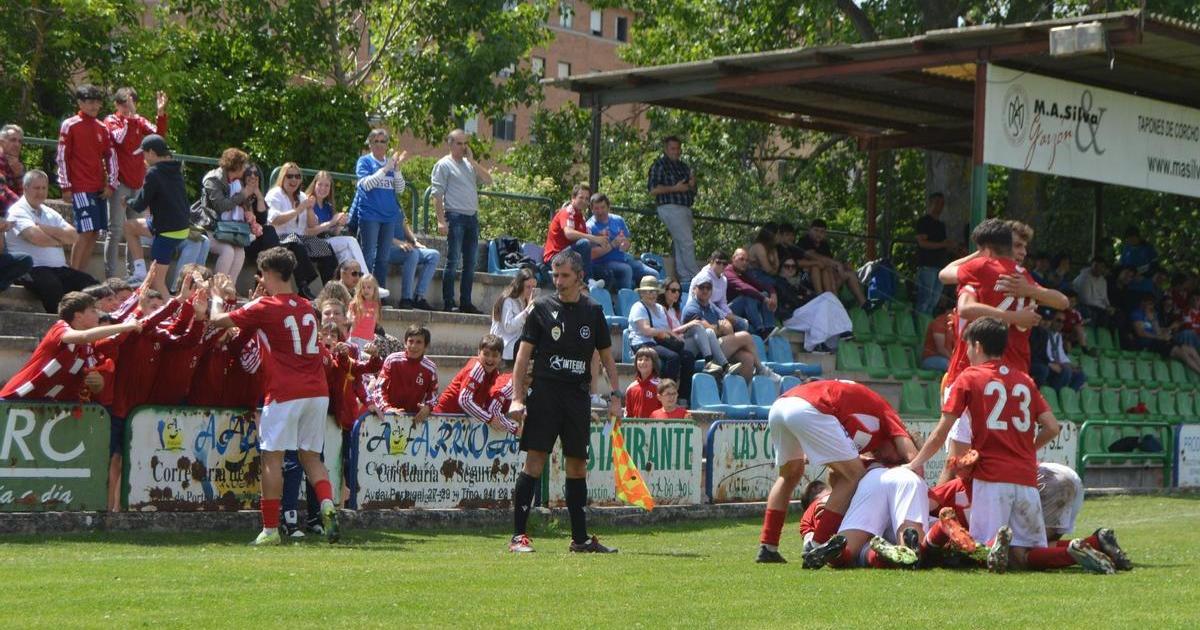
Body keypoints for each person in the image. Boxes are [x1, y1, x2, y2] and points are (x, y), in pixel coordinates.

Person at [906, 317, 1115, 574]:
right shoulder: (1024, 380)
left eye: (968, 346)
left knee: (984, 550)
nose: (967, 353)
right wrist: (1026, 451)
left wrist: (913, 464)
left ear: (977, 345)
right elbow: (1052, 427)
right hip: (1026, 478)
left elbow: (941, 432)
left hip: (991, 478)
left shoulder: (969, 377)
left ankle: (997, 545)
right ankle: (1072, 550)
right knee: (1023, 556)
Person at [210, 246, 341, 546]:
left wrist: (217, 298)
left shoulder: (265, 306)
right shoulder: (307, 306)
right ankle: (327, 504)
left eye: (262, 274)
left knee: (272, 458)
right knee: (311, 457)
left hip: (284, 391)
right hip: (317, 391)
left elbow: (218, 320)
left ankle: (270, 529)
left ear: (269, 273)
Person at [507, 249, 621, 554]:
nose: (558, 281)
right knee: (534, 462)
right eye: (555, 275)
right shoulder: (541, 308)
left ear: (579, 276)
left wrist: (615, 395)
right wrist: (517, 398)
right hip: (545, 394)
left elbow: (607, 358)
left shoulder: (593, 311)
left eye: (565, 275)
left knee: (577, 466)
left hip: (577, 397)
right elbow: (522, 357)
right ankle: (518, 537)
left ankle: (580, 539)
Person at [757, 379, 915, 565]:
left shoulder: (867, 426)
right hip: (811, 407)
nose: (888, 461)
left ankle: (768, 547)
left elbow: (835, 473)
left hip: (782, 405)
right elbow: (913, 457)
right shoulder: (888, 416)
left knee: (789, 475)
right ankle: (818, 544)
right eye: (895, 459)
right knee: (854, 475)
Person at [0, 291, 139, 401]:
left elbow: (93, 387)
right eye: (93, 311)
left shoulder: (88, 346)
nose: (98, 315)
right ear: (78, 316)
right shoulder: (60, 328)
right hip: (15, 399)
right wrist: (126, 326)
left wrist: (97, 383)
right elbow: (84, 336)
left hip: (46, 407)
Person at [4, 170, 99, 313]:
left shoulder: (50, 212)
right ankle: (59, 323)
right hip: (32, 269)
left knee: (92, 285)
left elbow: (73, 236)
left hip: (58, 269)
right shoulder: (17, 211)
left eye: (44, 188)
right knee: (52, 286)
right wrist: (60, 239)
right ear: (25, 188)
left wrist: (45, 228)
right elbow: (36, 237)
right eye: (36, 188)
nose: (41, 192)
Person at [103, 88, 168, 279]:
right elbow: (120, 139)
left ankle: (133, 275)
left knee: (134, 228)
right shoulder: (110, 121)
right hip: (119, 182)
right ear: (116, 105)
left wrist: (160, 113)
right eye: (124, 104)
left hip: (138, 181)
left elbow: (158, 138)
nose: (128, 108)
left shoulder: (139, 120)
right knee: (115, 230)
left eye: (131, 104)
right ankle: (110, 276)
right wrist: (131, 117)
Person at [57, 84, 118, 272]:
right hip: (80, 187)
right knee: (85, 230)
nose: (95, 106)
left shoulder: (102, 128)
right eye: (90, 102)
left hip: (98, 187)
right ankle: (73, 273)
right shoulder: (70, 124)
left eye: (97, 102)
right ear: (80, 103)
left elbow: (111, 156)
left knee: (95, 232)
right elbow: (62, 157)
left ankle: (81, 273)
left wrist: (111, 184)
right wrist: (65, 186)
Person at [120, 135, 190, 297]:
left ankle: (171, 309)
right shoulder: (175, 170)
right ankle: (139, 273)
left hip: (167, 232)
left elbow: (139, 205)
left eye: (144, 154)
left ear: (151, 153)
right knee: (129, 227)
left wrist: (127, 200)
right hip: (179, 227)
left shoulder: (153, 173)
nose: (143, 158)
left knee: (157, 282)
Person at [431, 129, 491, 314]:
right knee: (453, 260)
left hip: (472, 217)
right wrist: (441, 221)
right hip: (454, 216)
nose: (463, 147)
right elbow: (437, 195)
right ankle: (449, 302)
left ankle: (466, 302)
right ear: (450, 144)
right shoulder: (443, 165)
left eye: (465, 143)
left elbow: (489, 180)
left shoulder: (469, 165)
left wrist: (473, 161)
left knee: (470, 263)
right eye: (459, 143)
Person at [682, 277, 779, 384]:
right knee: (745, 336)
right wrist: (719, 328)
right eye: (701, 287)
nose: (705, 290)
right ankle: (761, 370)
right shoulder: (692, 308)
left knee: (748, 359)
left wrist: (720, 328)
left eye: (708, 288)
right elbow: (708, 330)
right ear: (694, 289)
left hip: (718, 345)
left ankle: (738, 391)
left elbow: (728, 324)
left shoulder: (710, 305)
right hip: (703, 352)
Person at [352, 129, 407, 299]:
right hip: (370, 216)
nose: (379, 145)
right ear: (370, 144)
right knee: (368, 256)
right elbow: (366, 185)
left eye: (383, 141)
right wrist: (385, 169)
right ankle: (362, 295)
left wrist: (396, 169)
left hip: (389, 217)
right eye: (376, 141)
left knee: (383, 258)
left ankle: (378, 296)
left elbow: (400, 189)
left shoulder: (390, 164)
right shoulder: (365, 161)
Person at [267, 163, 338, 286]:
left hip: (301, 238)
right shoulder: (275, 194)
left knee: (326, 248)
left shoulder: (302, 196)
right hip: (280, 238)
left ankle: (331, 287)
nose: (294, 179)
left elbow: (312, 225)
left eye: (297, 176)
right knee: (296, 243)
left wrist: (309, 209)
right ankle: (304, 286)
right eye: (290, 176)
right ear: (282, 177)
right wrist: (298, 210)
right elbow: (274, 220)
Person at [628, 275, 695, 402]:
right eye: (648, 291)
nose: (652, 294)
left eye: (654, 291)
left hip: (656, 342)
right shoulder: (638, 307)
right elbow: (646, 330)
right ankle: (664, 393)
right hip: (642, 343)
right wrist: (662, 332)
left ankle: (683, 396)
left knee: (688, 356)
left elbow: (666, 329)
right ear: (641, 293)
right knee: (672, 357)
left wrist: (675, 337)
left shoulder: (659, 308)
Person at [432, 334, 516, 433]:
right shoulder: (477, 369)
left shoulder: (494, 374)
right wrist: (489, 419)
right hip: (443, 417)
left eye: (494, 355)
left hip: (459, 421)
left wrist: (510, 426)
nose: (490, 359)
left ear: (500, 357)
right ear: (478, 353)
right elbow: (464, 400)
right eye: (486, 354)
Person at [199, 149, 258, 279]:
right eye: (244, 165)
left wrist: (248, 212)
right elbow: (221, 206)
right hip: (211, 228)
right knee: (228, 251)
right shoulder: (213, 179)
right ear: (236, 166)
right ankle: (217, 287)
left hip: (229, 230)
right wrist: (244, 194)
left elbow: (242, 201)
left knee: (240, 253)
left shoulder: (237, 181)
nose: (245, 169)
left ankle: (229, 288)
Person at [647, 136, 698, 284]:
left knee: (680, 242)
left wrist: (692, 185)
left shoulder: (683, 166)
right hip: (670, 207)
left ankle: (686, 278)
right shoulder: (659, 165)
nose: (676, 151)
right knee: (687, 242)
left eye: (678, 148)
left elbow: (691, 190)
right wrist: (675, 188)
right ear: (666, 149)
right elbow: (653, 189)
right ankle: (696, 276)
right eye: (672, 148)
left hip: (685, 207)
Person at [305, 171, 369, 275]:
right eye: (320, 184)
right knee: (351, 241)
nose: (323, 188)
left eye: (327, 185)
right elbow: (310, 231)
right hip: (312, 244)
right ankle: (366, 278)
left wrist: (339, 224)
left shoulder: (327, 205)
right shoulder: (308, 201)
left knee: (346, 254)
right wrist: (332, 222)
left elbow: (333, 232)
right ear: (314, 184)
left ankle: (351, 283)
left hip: (326, 241)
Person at [543, 183, 606, 290]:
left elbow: (587, 244)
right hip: (554, 258)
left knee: (606, 273)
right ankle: (588, 281)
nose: (584, 201)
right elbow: (569, 234)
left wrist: (605, 241)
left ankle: (593, 289)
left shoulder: (580, 217)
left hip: (570, 257)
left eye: (586, 199)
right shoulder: (567, 212)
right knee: (585, 243)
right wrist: (593, 238)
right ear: (573, 198)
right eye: (581, 197)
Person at [373, 325, 438, 421]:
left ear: (426, 346)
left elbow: (433, 395)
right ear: (405, 343)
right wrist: (386, 408)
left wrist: (428, 407)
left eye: (419, 342)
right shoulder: (392, 360)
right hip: (388, 417)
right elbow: (379, 388)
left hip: (414, 420)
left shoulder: (430, 368)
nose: (413, 346)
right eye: (410, 341)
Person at [797, 219, 867, 308]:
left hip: (827, 279)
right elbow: (812, 256)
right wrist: (836, 264)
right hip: (806, 278)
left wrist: (843, 266)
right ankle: (826, 300)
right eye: (816, 230)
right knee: (820, 269)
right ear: (809, 230)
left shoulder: (824, 245)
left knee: (849, 274)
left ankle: (864, 304)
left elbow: (830, 262)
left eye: (822, 232)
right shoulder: (804, 241)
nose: (818, 234)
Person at [585, 192, 647, 291]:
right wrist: (613, 244)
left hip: (623, 259)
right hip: (602, 263)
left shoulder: (618, 220)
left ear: (608, 207)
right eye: (596, 208)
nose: (600, 211)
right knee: (626, 270)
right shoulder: (590, 226)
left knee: (653, 274)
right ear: (591, 209)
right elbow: (591, 254)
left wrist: (625, 244)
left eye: (603, 207)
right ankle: (625, 299)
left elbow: (627, 241)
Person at [385, 200, 438, 310]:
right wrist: (398, 243)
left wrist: (415, 241)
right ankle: (406, 299)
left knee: (433, 255)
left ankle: (418, 297)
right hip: (386, 248)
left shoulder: (396, 202)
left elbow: (404, 225)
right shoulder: (380, 202)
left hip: (402, 247)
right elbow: (380, 233)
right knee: (412, 254)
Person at [1130, 294, 1200, 374]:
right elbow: (1141, 333)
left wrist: (1155, 321)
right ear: (1142, 303)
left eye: (1152, 304)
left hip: (1159, 340)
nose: (1151, 306)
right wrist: (1159, 337)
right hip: (1149, 343)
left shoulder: (1152, 314)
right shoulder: (1137, 314)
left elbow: (1158, 331)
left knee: (1190, 349)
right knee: (1181, 352)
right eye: (1149, 304)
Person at [727, 247, 781, 339]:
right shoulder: (728, 272)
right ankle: (760, 329)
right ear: (733, 258)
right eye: (741, 259)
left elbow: (760, 284)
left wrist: (773, 293)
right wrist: (764, 299)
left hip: (741, 311)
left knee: (764, 293)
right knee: (748, 296)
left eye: (747, 260)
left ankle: (769, 327)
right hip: (727, 312)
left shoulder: (743, 273)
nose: (744, 263)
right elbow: (744, 287)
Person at [914, 192, 952, 315]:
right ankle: (919, 322)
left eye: (942, 204)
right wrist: (942, 244)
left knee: (934, 300)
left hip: (939, 266)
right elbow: (922, 243)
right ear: (930, 203)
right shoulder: (923, 222)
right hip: (927, 265)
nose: (939, 206)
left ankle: (927, 323)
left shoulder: (941, 225)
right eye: (937, 203)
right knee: (925, 299)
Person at [1030, 310, 1086, 391]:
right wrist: (1056, 364)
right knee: (1066, 371)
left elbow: (1061, 355)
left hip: (1053, 363)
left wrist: (1069, 365)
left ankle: (1067, 396)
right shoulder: (1044, 334)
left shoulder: (1058, 336)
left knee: (1080, 375)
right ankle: (1054, 393)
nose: (1061, 324)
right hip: (1047, 364)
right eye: (1058, 320)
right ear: (1052, 320)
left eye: (1063, 322)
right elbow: (1045, 355)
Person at [490, 268, 538, 364]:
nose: (531, 291)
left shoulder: (525, 300)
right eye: (528, 287)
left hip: (517, 341)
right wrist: (527, 311)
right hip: (506, 344)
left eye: (533, 288)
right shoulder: (508, 300)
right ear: (520, 286)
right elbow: (509, 327)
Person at [1073, 257, 1117, 330]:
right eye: (1096, 266)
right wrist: (1104, 307)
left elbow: (1104, 297)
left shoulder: (1103, 280)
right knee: (1095, 314)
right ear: (1091, 266)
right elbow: (1085, 300)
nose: (1098, 269)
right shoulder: (1085, 278)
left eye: (1101, 267)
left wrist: (1109, 306)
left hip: (1099, 306)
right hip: (1083, 305)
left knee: (1115, 315)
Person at [624, 347, 661, 419]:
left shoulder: (660, 386)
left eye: (646, 359)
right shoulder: (631, 388)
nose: (643, 362)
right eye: (640, 359)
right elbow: (628, 414)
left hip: (656, 425)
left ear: (654, 363)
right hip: (636, 425)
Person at [348, 273, 381, 349]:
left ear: (374, 289)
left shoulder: (376, 305)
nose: (366, 290)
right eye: (363, 287)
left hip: (368, 340)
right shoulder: (355, 303)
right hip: (355, 338)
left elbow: (375, 322)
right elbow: (349, 319)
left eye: (369, 287)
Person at [921, 307, 954, 372]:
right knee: (954, 367)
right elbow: (941, 349)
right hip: (931, 358)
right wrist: (954, 360)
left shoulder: (953, 325)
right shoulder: (939, 323)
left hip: (946, 358)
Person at [0, 124, 25, 197]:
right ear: (1, 142)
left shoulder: (18, 165)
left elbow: (27, 193)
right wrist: (21, 203)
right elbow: (2, 193)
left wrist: (18, 176)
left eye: (20, 141)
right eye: (13, 140)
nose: (17, 144)